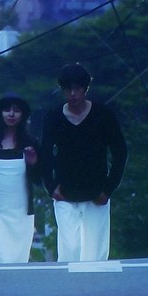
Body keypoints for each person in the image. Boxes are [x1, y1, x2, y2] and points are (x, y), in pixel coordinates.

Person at [40, 63, 128, 262]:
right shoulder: (54, 116)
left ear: (85, 88)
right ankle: (68, 282)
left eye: (77, 88)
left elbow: (120, 152)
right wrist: (51, 186)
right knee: (69, 247)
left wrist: (108, 189)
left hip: (96, 192)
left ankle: (94, 282)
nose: (73, 93)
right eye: (68, 89)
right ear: (62, 90)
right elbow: (45, 153)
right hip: (65, 192)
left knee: (95, 251)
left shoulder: (103, 115)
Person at [0, 93, 40, 263]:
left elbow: (38, 181)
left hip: (22, 215)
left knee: (19, 261)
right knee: (0, 260)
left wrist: (33, 163)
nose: (11, 114)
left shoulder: (30, 143)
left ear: (22, 115)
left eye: (16, 110)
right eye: (7, 110)